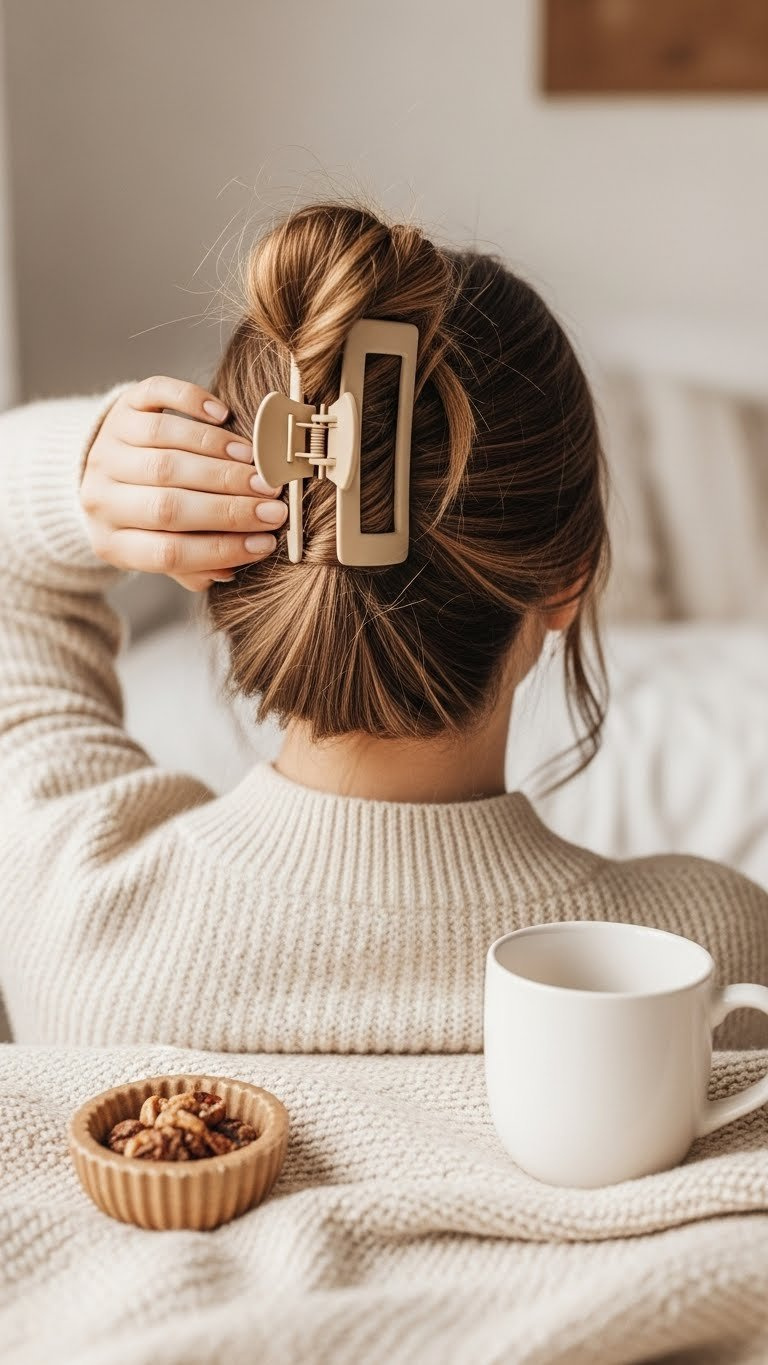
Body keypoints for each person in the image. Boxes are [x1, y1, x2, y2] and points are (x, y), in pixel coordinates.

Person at [0, 201, 765, 1050]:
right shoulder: (707, 962)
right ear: (569, 577)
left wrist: (89, 462)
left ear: (236, 545)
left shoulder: (76, 920)